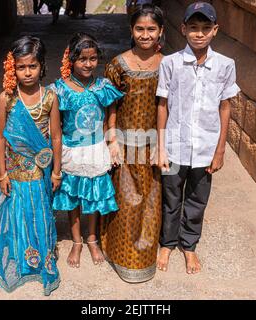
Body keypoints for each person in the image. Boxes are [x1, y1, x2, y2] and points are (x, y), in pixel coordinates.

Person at [156, 2, 240, 274]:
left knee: (196, 200)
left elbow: (225, 107)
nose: (199, 34)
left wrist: (220, 151)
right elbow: (163, 106)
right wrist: (160, 148)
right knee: (170, 199)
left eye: (206, 28)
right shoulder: (170, 63)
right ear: (184, 29)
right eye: (193, 28)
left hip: (205, 148)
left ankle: (189, 247)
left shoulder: (225, 66)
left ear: (215, 30)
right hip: (174, 147)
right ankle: (167, 244)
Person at [0, 36, 62, 295]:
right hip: (15, 171)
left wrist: (58, 171)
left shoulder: (50, 97)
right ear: (12, 68)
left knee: (40, 210)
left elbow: (57, 136)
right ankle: (22, 257)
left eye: (33, 66)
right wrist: (2, 174)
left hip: (41, 172)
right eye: (21, 67)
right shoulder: (7, 99)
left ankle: (43, 258)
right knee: (18, 213)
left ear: (42, 67)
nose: (27, 73)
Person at [100, 4, 164, 283]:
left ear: (161, 31)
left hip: (152, 146)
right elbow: (111, 105)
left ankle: (144, 261)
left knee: (150, 203)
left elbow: (168, 106)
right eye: (140, 28)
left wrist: (164, 145)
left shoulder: (168, 64)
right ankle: (118, 255)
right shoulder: (118, 64)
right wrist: (111, 137)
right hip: (125, 145)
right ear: (131, 30)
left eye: (151, 29)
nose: (145, 34)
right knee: (125, 202)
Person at [52, 33, 124, 268]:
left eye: (93, 59)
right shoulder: (61, 90)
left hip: (95, 149)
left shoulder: (102, 86)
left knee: (93, 195)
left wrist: (112, 135)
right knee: (72, 197)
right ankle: (76, 241)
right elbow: (55, 122)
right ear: (72, 59)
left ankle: (91, 238)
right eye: (82, 59)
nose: (88, 64)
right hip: (71, 150)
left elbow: (111, 107)